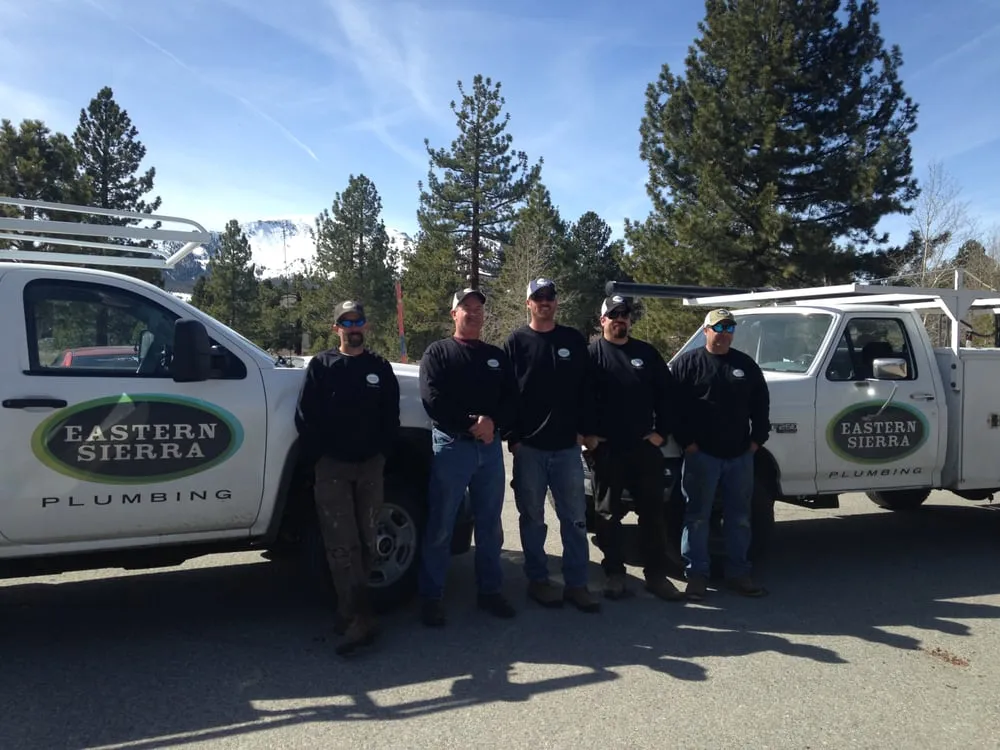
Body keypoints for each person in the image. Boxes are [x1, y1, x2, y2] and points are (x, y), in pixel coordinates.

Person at [295, 300, 401, 655]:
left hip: (370, 466)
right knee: (341, 545)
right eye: (346, 321)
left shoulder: (380, 368)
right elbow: (305, 417)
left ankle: (353, 610)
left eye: (358, 320)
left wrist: (382, 453)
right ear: (335, 328)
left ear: (366, 327)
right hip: (333, 469)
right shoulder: (322, 366)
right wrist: (321, 457)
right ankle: (357, 617)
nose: (353, 326)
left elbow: (392, 418)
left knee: (370, 541)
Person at [417, 287, 520, 627]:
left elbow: (510, 399)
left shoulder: (496, 356)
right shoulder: (438, 353)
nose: (473, 313)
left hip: (489, 450)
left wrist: (493, 424)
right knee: (442, 524)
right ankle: (432, 596)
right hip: (452, 447)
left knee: (490, 524)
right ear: (454, 314)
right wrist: (471, 423)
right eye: (466, 308)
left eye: (478, 308)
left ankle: (489, 591)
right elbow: (433, 399)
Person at [503, 278, 601, 613]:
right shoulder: (516, 342)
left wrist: (583, 432)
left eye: (550, 297)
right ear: (528, 303)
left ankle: (577, 584)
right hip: (529, 448)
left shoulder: (572, 340)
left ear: (556, 303)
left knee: (574, 519)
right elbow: (506, 395)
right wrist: (513, 438)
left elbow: (588, 391)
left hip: (566, 449)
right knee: (532, 518)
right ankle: (538, 580)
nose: (544, 302)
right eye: (538, 297)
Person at [585, 295, 683, 602]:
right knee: (607, 514)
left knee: (653, 513)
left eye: (625, 314)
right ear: (602, 320)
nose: (620, 319)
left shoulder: (646, 353)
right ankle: (614, 572)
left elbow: (668, 396)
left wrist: (661, 433)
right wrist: (587, 436)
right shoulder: (591, 355)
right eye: (613, 314)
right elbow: (577, 398)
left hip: (644, 448)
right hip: (607, 449)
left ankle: (655, 574)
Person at [671, 308, 771, 600]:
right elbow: (674, 408)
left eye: (729, 329)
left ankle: (739, 573)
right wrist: (687, 443)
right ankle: (696, 576)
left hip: (740, 456)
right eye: (719, 328)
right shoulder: (688, 364)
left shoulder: (745, 365)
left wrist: (756, 441)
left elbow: (761, 405)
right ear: (706, 331)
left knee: (740, 518)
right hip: (702, 457)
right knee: (697, 517)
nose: (725, 334)